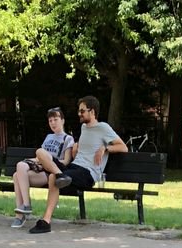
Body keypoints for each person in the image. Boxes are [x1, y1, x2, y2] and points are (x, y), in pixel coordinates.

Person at [28, 95, 127, 234]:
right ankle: (60, 174)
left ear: (92, 112)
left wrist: (105, 148)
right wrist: (76, 148)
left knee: (53, 178)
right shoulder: (84, 128)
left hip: (88, 173)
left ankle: (46, 221)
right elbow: (85, 149)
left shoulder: (103, 127)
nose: (79, 113)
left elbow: (123, 147)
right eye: (79, 111)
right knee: (40, 152)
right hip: (74, 167)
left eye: (82, 111)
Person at [11, 107, 75, 229]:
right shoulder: (48, 137)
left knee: (17, 175)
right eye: (50, 121)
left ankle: (21, 214)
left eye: (55, 119)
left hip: (50, 171)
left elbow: (66, 161)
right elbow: (39, 156)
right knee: (19, 168)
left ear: (62, 120)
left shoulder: (68, 139)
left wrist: (48, 161)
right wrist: (32, 161)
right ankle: (25, 207)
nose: (53, 123)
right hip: (40, 167)